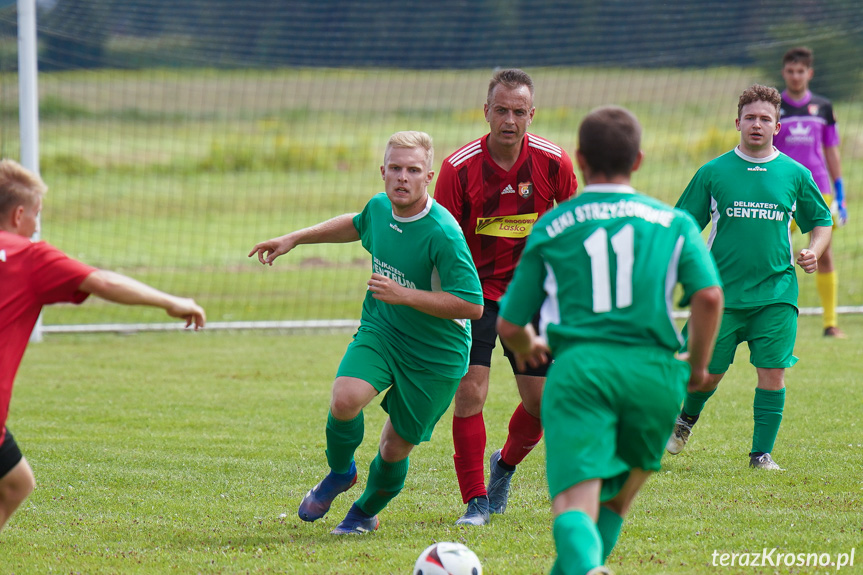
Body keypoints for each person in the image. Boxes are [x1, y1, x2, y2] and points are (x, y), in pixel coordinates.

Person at [496, 106, 723, 575]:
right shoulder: (673, 222)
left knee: (575, 505)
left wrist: (526, 344)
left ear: (578, 160)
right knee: (615, 504)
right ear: (637, 160)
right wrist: (698, 365)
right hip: (656, 377)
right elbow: (709, 296)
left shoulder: (554, 225)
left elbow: (509, 322)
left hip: (581, 372)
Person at [249, 131, 483, 535]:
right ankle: (341, 472)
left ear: (429, 175)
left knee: (394, 448)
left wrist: (404, 295)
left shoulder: (443, 232)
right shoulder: (379, 208)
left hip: (436, 353)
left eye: (412, 170)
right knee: (344, 399)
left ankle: (363, 513)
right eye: (395, 168)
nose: (402, 178)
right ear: (383, 171)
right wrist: (295, 238)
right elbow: (357, 224)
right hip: (384, 330)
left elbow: (472, 304)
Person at [0, 158, 206, 533]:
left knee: (16, 483)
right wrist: (171, 302)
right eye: (36, 215)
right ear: (17, 216)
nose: (35, 226)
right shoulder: (28, 256)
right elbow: (105, 282)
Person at [435, 68, 577, 526]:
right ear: (486, 112)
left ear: (531, 115)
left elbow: (576, 223)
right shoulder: (458, 169)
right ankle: (476, 502)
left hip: (529, 294)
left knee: (541, 403)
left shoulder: (554, 162)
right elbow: (440, 242)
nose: (510, 120)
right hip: (472, 294)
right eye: (502, 110)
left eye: (519, 111)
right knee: (470, 393)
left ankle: (505, 466)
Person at [667, 84, 833, 470]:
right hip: (720, 296)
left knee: (773, 373)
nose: (757, 125)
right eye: (751, 118)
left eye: (766, 119)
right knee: (705, 377)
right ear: (737, 122)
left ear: (778, 126)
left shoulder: (795, 174)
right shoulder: (713, 172)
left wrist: (814, 250)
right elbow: (683, 224)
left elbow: (821, 221)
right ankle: (686, 418)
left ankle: (761, 455)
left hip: (776, 292)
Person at [774, 47, 848, 338]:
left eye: (800, 71)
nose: (795, 76)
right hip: (782, 191)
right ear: (784, 73)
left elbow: (831, 150)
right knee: (778, 252)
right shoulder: (774, 107)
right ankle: (777, 317)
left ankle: (830, 323)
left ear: (809, 73)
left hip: (819, 190)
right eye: (790, 71)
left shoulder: (824, 107)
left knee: (824, 254)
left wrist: (840, 193)